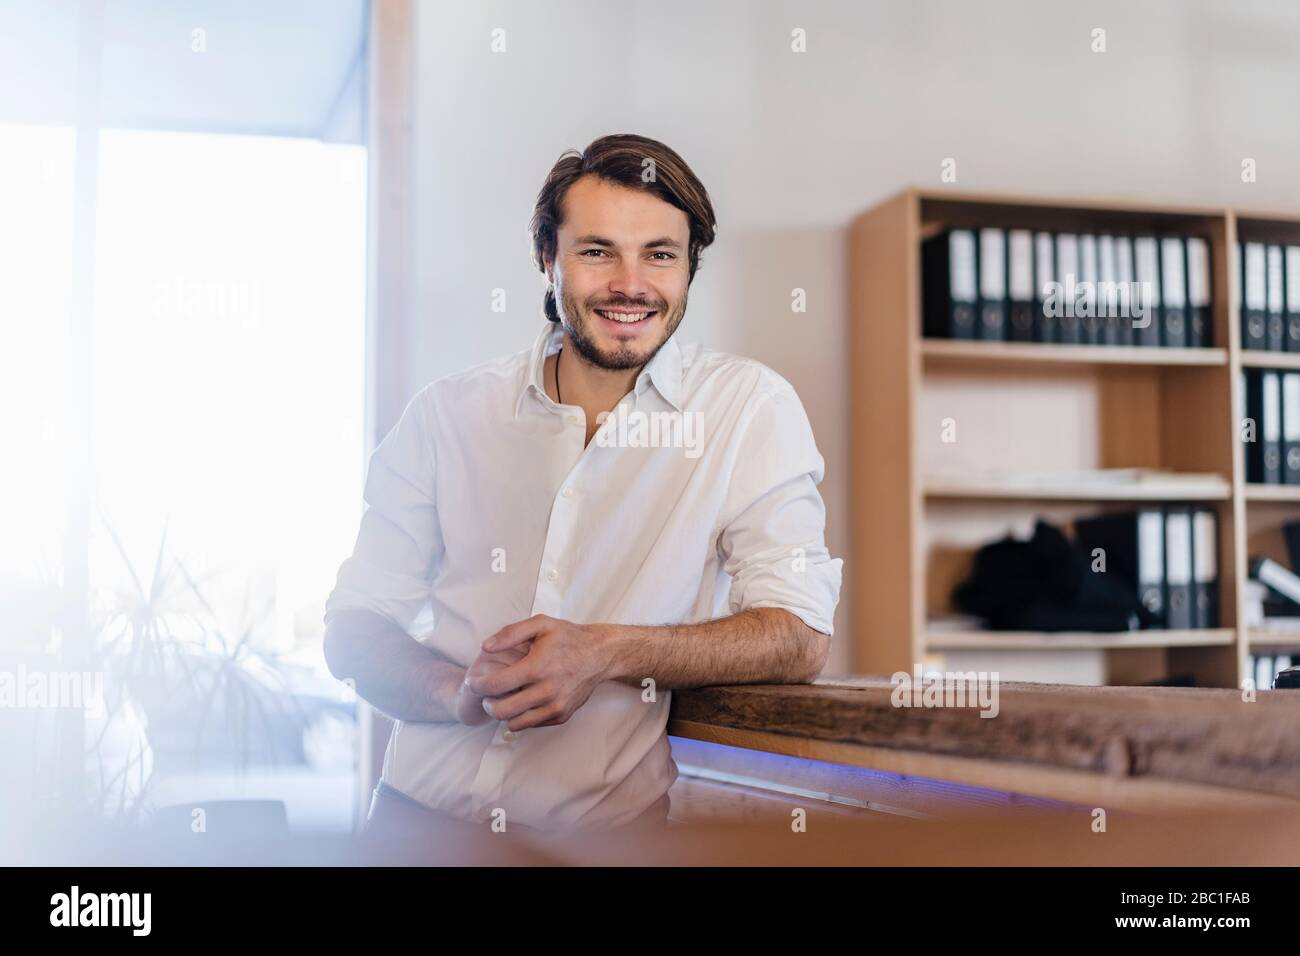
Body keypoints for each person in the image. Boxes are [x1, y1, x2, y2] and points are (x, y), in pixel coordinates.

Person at [324, 133, 843, 834]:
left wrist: (604, 652)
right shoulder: (448, 414)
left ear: (689, 267)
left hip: (601, 846)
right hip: (415, 826)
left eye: (659, 254)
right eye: (597, 251)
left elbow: (799, 633)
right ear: (548, 258)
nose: (630, 284)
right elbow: (356, 628)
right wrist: (458, 695)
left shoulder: (747, 410)